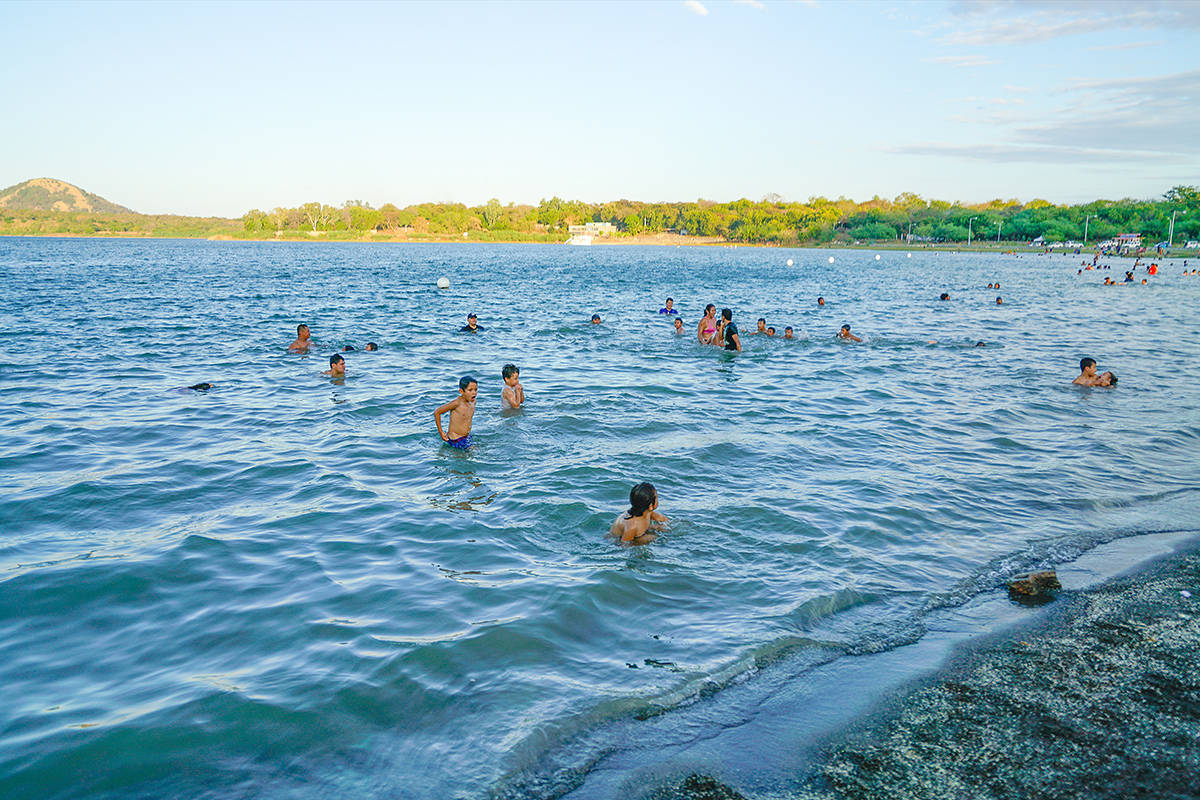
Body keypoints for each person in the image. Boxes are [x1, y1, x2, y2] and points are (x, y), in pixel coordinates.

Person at [435, 376, 478, 448]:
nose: (474, 393)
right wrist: (441, 432)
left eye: (475, 390)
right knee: (474, 453)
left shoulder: (473, 402)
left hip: (466, 437)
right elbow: (437, 412)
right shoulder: (456, 403)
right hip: (455, 439)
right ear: (461, 391)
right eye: (470, 390)